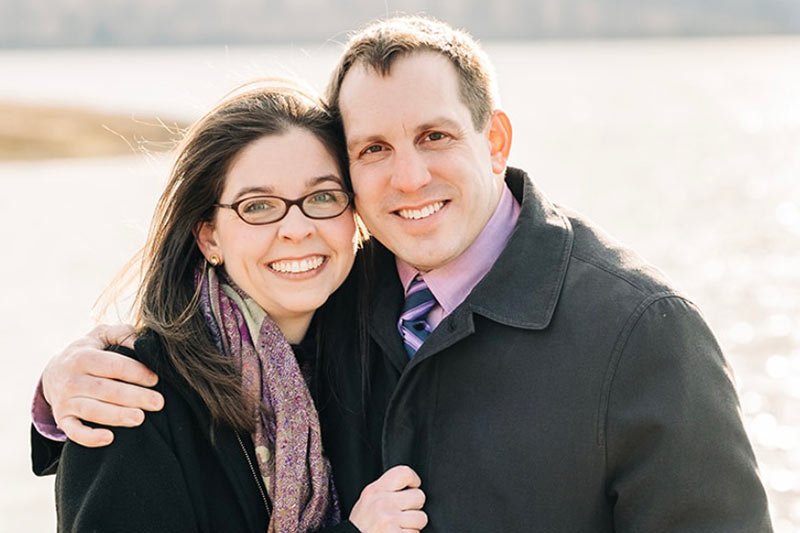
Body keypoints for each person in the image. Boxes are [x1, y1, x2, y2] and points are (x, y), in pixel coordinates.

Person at [33, 16, 772, 532]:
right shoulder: (338, 302)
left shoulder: (641, 333)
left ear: (495, 140)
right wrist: (59, 389)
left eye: (434, 136)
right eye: (374, 149)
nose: (409, 177)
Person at [34, 80, 428, 533]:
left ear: (354, 214)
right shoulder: (129, 393)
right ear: (210, 236)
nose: (296, 228)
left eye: (322, 197)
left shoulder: (389, 348)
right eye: (258, 206)